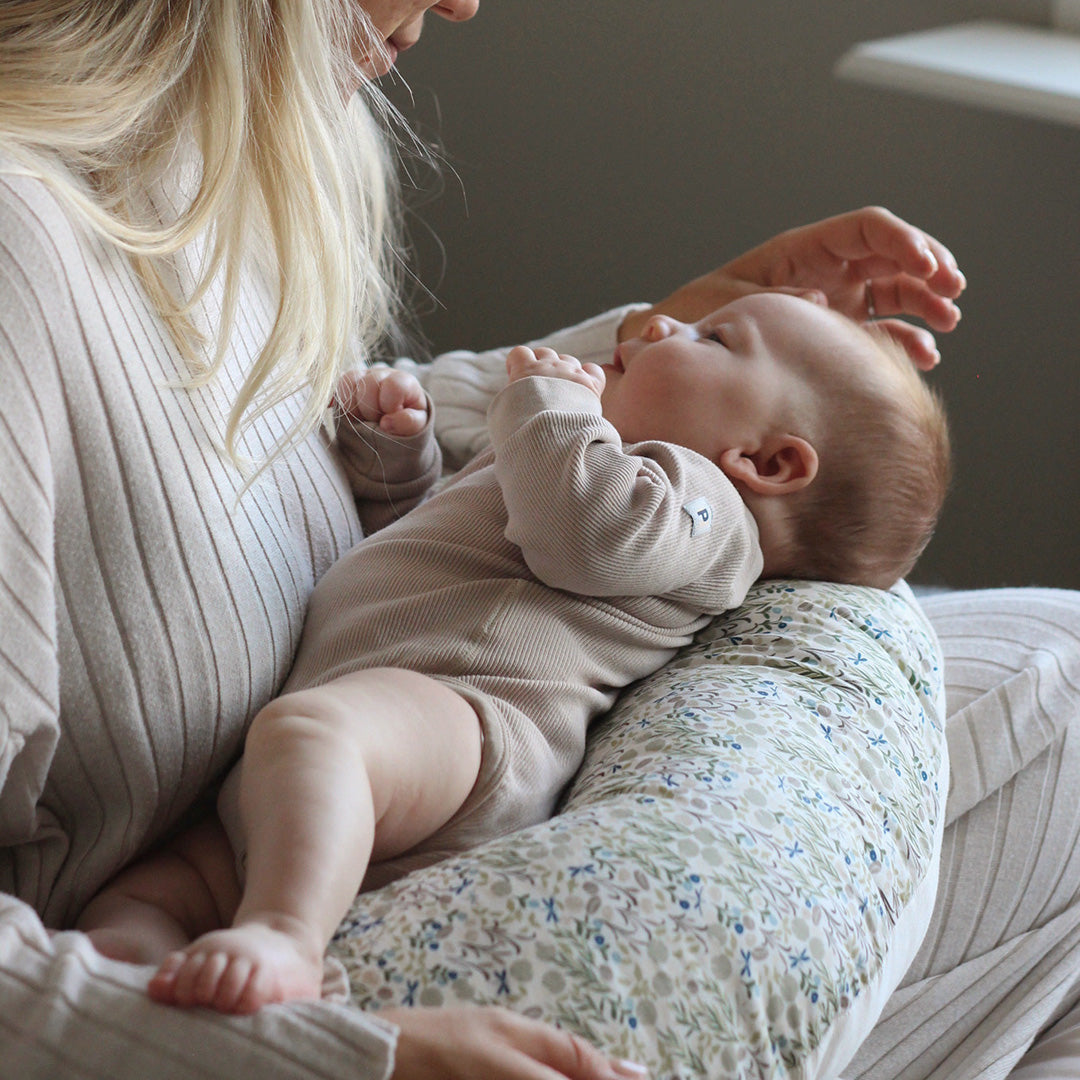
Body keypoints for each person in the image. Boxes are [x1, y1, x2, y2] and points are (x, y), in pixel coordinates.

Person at [4, 1, 1073, 1078]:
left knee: (1063, 689)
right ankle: (236, 962)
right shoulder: (23, 254)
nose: (466, 2)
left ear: (770, 463)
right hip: (239, 870)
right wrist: (324, 1056)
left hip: (414, 744)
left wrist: (450, 422)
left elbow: (295, 456)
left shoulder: (234, 146)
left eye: (704, 339)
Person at [74, 290, 951, 1014]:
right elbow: (430, 552)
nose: (655, 325)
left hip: (471, 723)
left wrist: (555, 406)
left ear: (765, 460)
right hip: (364, 739)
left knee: (313, 737)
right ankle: (132, 980)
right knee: (146, 893)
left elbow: (588, 537)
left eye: (712, 337)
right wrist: (395, 462)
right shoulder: (566, 458)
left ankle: (284, 939)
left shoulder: (705, 514)